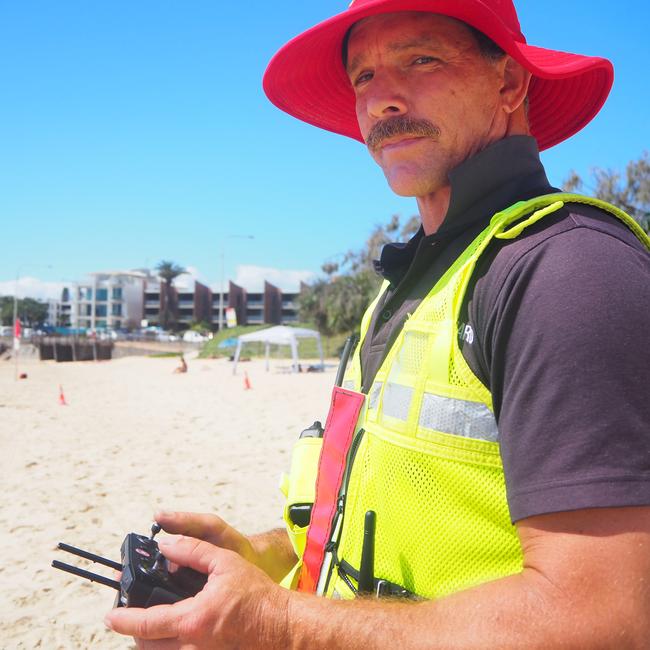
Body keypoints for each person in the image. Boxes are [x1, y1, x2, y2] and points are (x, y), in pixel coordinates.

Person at [106, 0, 650, 647]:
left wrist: (274, 621)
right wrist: (263, 557)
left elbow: (604, 616)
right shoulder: (409, 287)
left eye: (420, 60)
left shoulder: (567, 270)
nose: (382, 100)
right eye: (363, 76)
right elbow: (393, 517)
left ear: (509, 82)